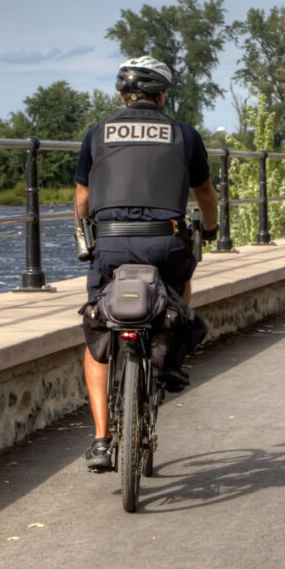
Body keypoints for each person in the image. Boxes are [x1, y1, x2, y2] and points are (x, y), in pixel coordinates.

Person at [74, 56, 219, 472]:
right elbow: (205, 192)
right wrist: (209, 229)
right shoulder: (183, 134)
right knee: (180, 280)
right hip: (164, 244)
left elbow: (83, 197)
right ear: (162, 96)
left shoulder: (98, 132)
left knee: (97, 327)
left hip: (111, 245)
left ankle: (101, 440)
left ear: (122, 95)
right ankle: (170, 358)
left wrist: (85, 235)